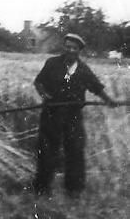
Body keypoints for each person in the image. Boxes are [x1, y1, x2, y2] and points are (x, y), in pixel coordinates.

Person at [32, 33, 117, 198]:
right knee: (47, 151)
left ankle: (74, 189)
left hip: (73, 115)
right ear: (64, 47)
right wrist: (44, 95)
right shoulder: (52, 63)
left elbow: (96, 88)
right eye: (68, 46)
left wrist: (109, 100)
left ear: (79, 51)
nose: (70, 50)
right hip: (51, 113)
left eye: (74, 48)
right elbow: (38, 82)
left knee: (75, 151)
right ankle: (42, 188)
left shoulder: (84, 70)